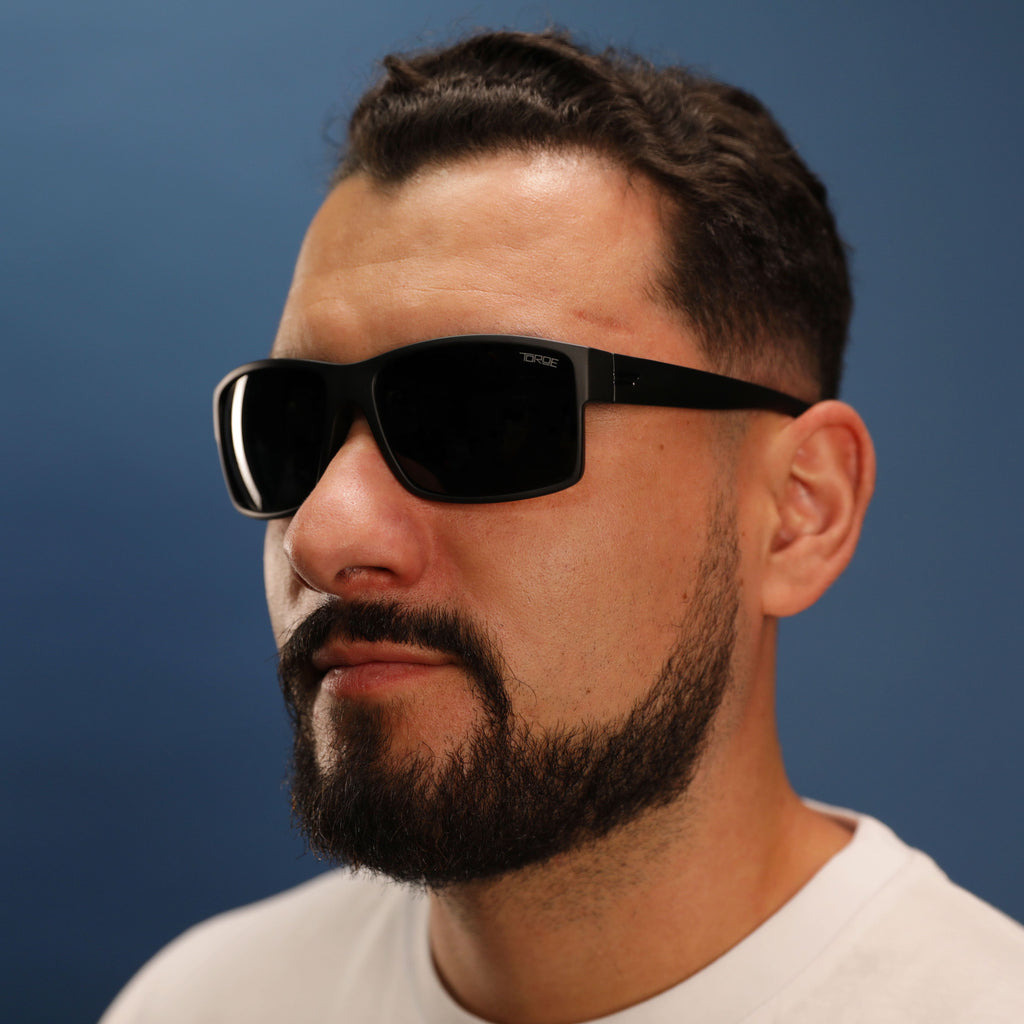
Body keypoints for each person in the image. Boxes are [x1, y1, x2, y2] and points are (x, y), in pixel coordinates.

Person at [102, 28, 1024, 1024]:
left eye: (482, 419)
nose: (323, 533)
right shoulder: (197, 1003)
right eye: (288, 427)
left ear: (801, 511)